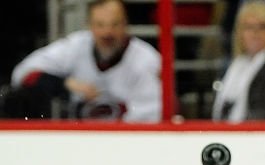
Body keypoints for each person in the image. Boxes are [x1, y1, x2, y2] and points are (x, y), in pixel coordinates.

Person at [8, 0, 160, 121]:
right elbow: (22, 73)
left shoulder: (146, 59)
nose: (107, 33)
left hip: (125, 143)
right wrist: (63, 84)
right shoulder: (76, 46)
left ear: (126, 25)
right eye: (100, 25)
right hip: (77, 141)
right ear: (89, 26)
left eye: (115, 24)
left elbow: (150, 115)